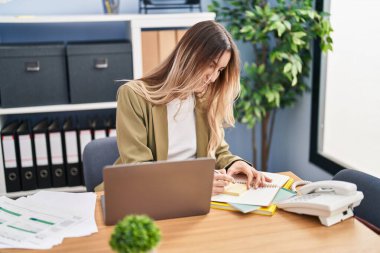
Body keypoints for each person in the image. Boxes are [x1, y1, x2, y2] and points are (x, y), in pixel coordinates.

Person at [95, 20, 271, 194]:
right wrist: (194, 183)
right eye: (211, 65)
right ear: (189, 57)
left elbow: (217, 150)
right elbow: (138, 168)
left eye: (220, 70)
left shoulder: (205, 98)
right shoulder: (134, 95)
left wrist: (234, 163)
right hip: (145, 194)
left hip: (195, 198)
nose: (213, 78)